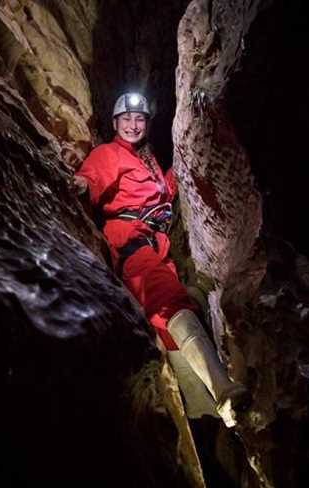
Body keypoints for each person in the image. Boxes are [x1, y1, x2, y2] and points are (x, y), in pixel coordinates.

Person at [73, 92, 249, 427]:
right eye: (127, 119)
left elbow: (165, 193)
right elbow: (91, 176)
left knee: (170, 318)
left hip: (157, 245)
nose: (133, 125)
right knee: (171, 305)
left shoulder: (147, 161)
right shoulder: (109, 153)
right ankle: (223, 391)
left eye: (139, 119)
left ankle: (203, 415)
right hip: (131, 243)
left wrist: (185, 163)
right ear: (115, 123)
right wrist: (79, 183)